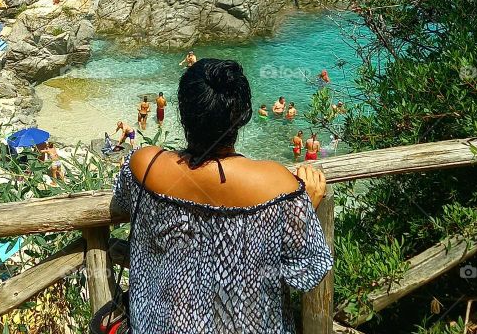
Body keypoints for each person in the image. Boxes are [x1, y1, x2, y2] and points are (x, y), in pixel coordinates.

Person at [112, 59, 332, 333]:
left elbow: (121, 200)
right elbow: (308, 271)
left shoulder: (144, 164)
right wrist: (303, 208)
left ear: (183, 111)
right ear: (242, 116)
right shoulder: (279, 185)